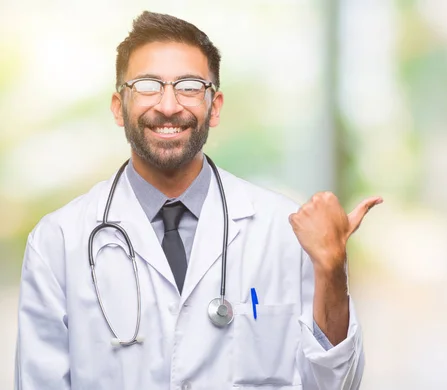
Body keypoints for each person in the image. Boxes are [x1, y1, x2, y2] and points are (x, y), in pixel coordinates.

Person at [14, 11, 382, 390]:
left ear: (215, 106)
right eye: (147, 86)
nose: (169, 106)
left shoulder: (284, 229)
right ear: (117, 107)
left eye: (189, 86)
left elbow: (338, 385)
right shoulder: (57, 242)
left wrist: (332, 267)